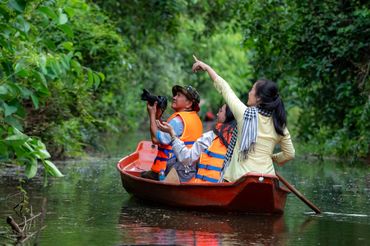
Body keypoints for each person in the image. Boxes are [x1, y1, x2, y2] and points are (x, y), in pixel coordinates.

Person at [192, 56, 295, 182]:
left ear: (259, 98)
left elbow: (225, 89)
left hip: (239, 179)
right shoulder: (279, 123)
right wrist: (273, 158)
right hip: (267, 179)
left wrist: (207, 68)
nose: (249, 92)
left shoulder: (244, 114)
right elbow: (290, 154)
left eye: (252, 90)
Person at [156, 104, 236, 183]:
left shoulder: (209, 137)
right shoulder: (238, 140)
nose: (217, 114)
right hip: (222, 187)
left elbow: (187, 158)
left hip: (203, 187)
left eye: (220, 111)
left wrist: (172, 135)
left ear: (227, 116)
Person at [141, 85, 203, 181]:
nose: (174, 97)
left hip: (174, 171)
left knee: (143, 175)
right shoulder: (195, 118)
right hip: (190, 170)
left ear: (189, 103)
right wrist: (158, 117)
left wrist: (152, 114)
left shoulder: (178, 120)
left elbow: (155, 139)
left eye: (178, 95)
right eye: (175, 95)